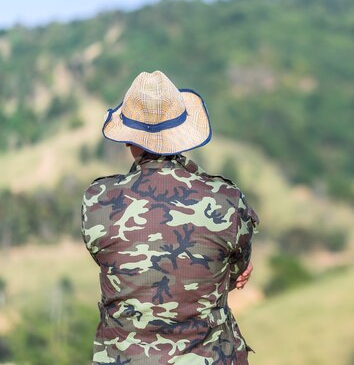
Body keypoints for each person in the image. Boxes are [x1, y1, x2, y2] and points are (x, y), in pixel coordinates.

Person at [81, 70, 258, 365]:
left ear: (127, 140)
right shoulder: (226, 199)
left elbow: (116, 266)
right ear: (183, 134)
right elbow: (234, 271)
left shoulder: (97, 200)